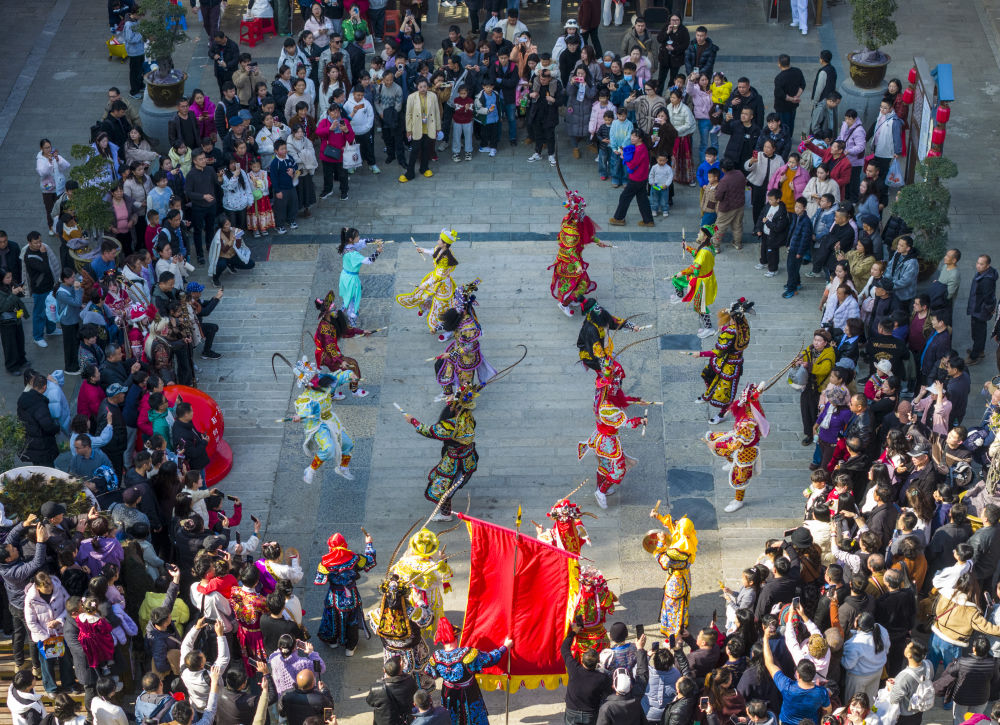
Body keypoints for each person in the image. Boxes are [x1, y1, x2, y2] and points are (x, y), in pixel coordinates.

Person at [424, 616, 511, 725]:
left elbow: (428, 672)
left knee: (452, 719)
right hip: (469, 692)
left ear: (441, 641)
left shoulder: (436, 657)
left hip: (448, 693)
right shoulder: (468, 654)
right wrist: (505, 647)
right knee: (474, 718)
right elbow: (490, 659)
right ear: (456, 637)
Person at [705, 383, 770, 512]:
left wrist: (716, 444)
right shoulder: (746, 411)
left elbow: (736, 444)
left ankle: (738, 501)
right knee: (717, 440)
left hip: (747, 450)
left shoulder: (748, 422)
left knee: (740, 477)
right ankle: (731, 461)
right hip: (739, 440)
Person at [314, 530, 375, 654]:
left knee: (332, 617)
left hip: (334, 596)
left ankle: (333, 642)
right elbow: (370, 560)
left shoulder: (325, 563)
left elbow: (320, 579)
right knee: (352, 621)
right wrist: (369, 544)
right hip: (351, 596)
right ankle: (350, 648)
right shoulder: (355, 558)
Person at [395, 229, 460, 336]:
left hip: (443, 285)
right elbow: (433, 252)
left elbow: (438, 277)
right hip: (435, 279)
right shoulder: (440, 248)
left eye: (440, 239)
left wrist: (425, 285)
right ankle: (427, 308)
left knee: (441, 306)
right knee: (425, 295)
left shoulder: (446, 259)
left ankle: (449, 328)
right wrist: (423, 250)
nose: (438, 241)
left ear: (445, 244)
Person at [761, 629, 831, 725]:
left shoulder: (787, 686)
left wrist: (765, 638)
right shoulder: (822, 692)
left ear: (797, 675)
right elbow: (827, 710)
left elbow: (769, 663)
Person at [647, 510, 698, 636]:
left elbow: (663, 561)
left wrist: (661, 542)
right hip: (685, 577)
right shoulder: (689, 538)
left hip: (676, 583)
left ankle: (674, 634)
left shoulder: (676, 553)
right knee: (683, 602)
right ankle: (683, 622)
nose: (677, 524)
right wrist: (659, 516)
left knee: (673, 606)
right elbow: (673, 524)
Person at [670, 226, 718, 337]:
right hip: (701, 277)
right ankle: (679, 296)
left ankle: (709, 328)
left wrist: (682, 272)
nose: (697, 234)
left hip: (701, 281)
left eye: (699, 233)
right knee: (676, 279)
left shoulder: (704, 251)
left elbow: (694, 268)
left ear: (705, 236)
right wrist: (687, 247)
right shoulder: (707, 246)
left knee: (700, 305)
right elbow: (697, 254)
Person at [609, 129, 655, 227]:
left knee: (625, 197)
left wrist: (623, 156)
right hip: (642, 177)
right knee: (642, 199)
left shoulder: (639, 149)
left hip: (636, 178)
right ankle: (648, 220)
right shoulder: (641, 147)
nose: (632, 138)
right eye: (632, 135)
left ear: (640, 138)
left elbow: (632, 164)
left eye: (635, 136)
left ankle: (619, 218)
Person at [400, 78, 440, 183]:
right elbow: (408, 114)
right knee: (414, 150)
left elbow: (437, 112)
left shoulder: (433, 96)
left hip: (429, 127)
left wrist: (438, 127)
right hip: (416, 127)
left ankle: (424, 168)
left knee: (426, 148)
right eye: (420, 87)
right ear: (417, 87)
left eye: (425, 86)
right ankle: (410, 173)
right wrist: (409, 129)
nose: (423, 89)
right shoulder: (411, 97)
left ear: (428, 87)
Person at [966, 255, 997, 365]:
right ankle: (979, 350)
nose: (978, 266)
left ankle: (974, 356)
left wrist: (990, 309)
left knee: (978, 333)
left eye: (981, 264)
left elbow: (988, 298)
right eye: (978, 263)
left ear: (987, 266)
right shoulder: (982, 274)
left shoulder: (986, 280)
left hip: (980, 310)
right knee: (978, 331)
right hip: (977, 308)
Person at [0, 271, 28, 374]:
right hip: (6, 322)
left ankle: (21, 360)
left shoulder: (10, 285)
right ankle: (11, 366)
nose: (10, 279)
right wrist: (13, 294)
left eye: (10, 276)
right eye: (7, 277)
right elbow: (3, 306)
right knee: (10, 345)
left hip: (16, 318)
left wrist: (20, 290)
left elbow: (17, 300)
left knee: (20, 341)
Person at [269, 140, 299, 234]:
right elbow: (273, 179)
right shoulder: (275, 163)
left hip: (291, 187)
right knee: (280, 208)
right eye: (282, 149)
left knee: (293, 204)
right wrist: (277, 191)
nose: (284, 150)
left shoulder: (290, 158)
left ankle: (291, 220)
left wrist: (293, 170)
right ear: (276, 151)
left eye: (285, 148)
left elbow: (296, 166)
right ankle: (279, 225)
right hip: (281, 189)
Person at [773, 55, 805, 131]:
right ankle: (789, 136)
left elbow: (779, 94)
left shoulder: (779, 78)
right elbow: (802, 85)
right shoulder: (798, 71)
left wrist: (791, 99)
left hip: (782, 107)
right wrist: (796, 96)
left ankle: (786, 137)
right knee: (791, 123)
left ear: (779, 64)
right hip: (793, 106)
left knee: (783, 126)